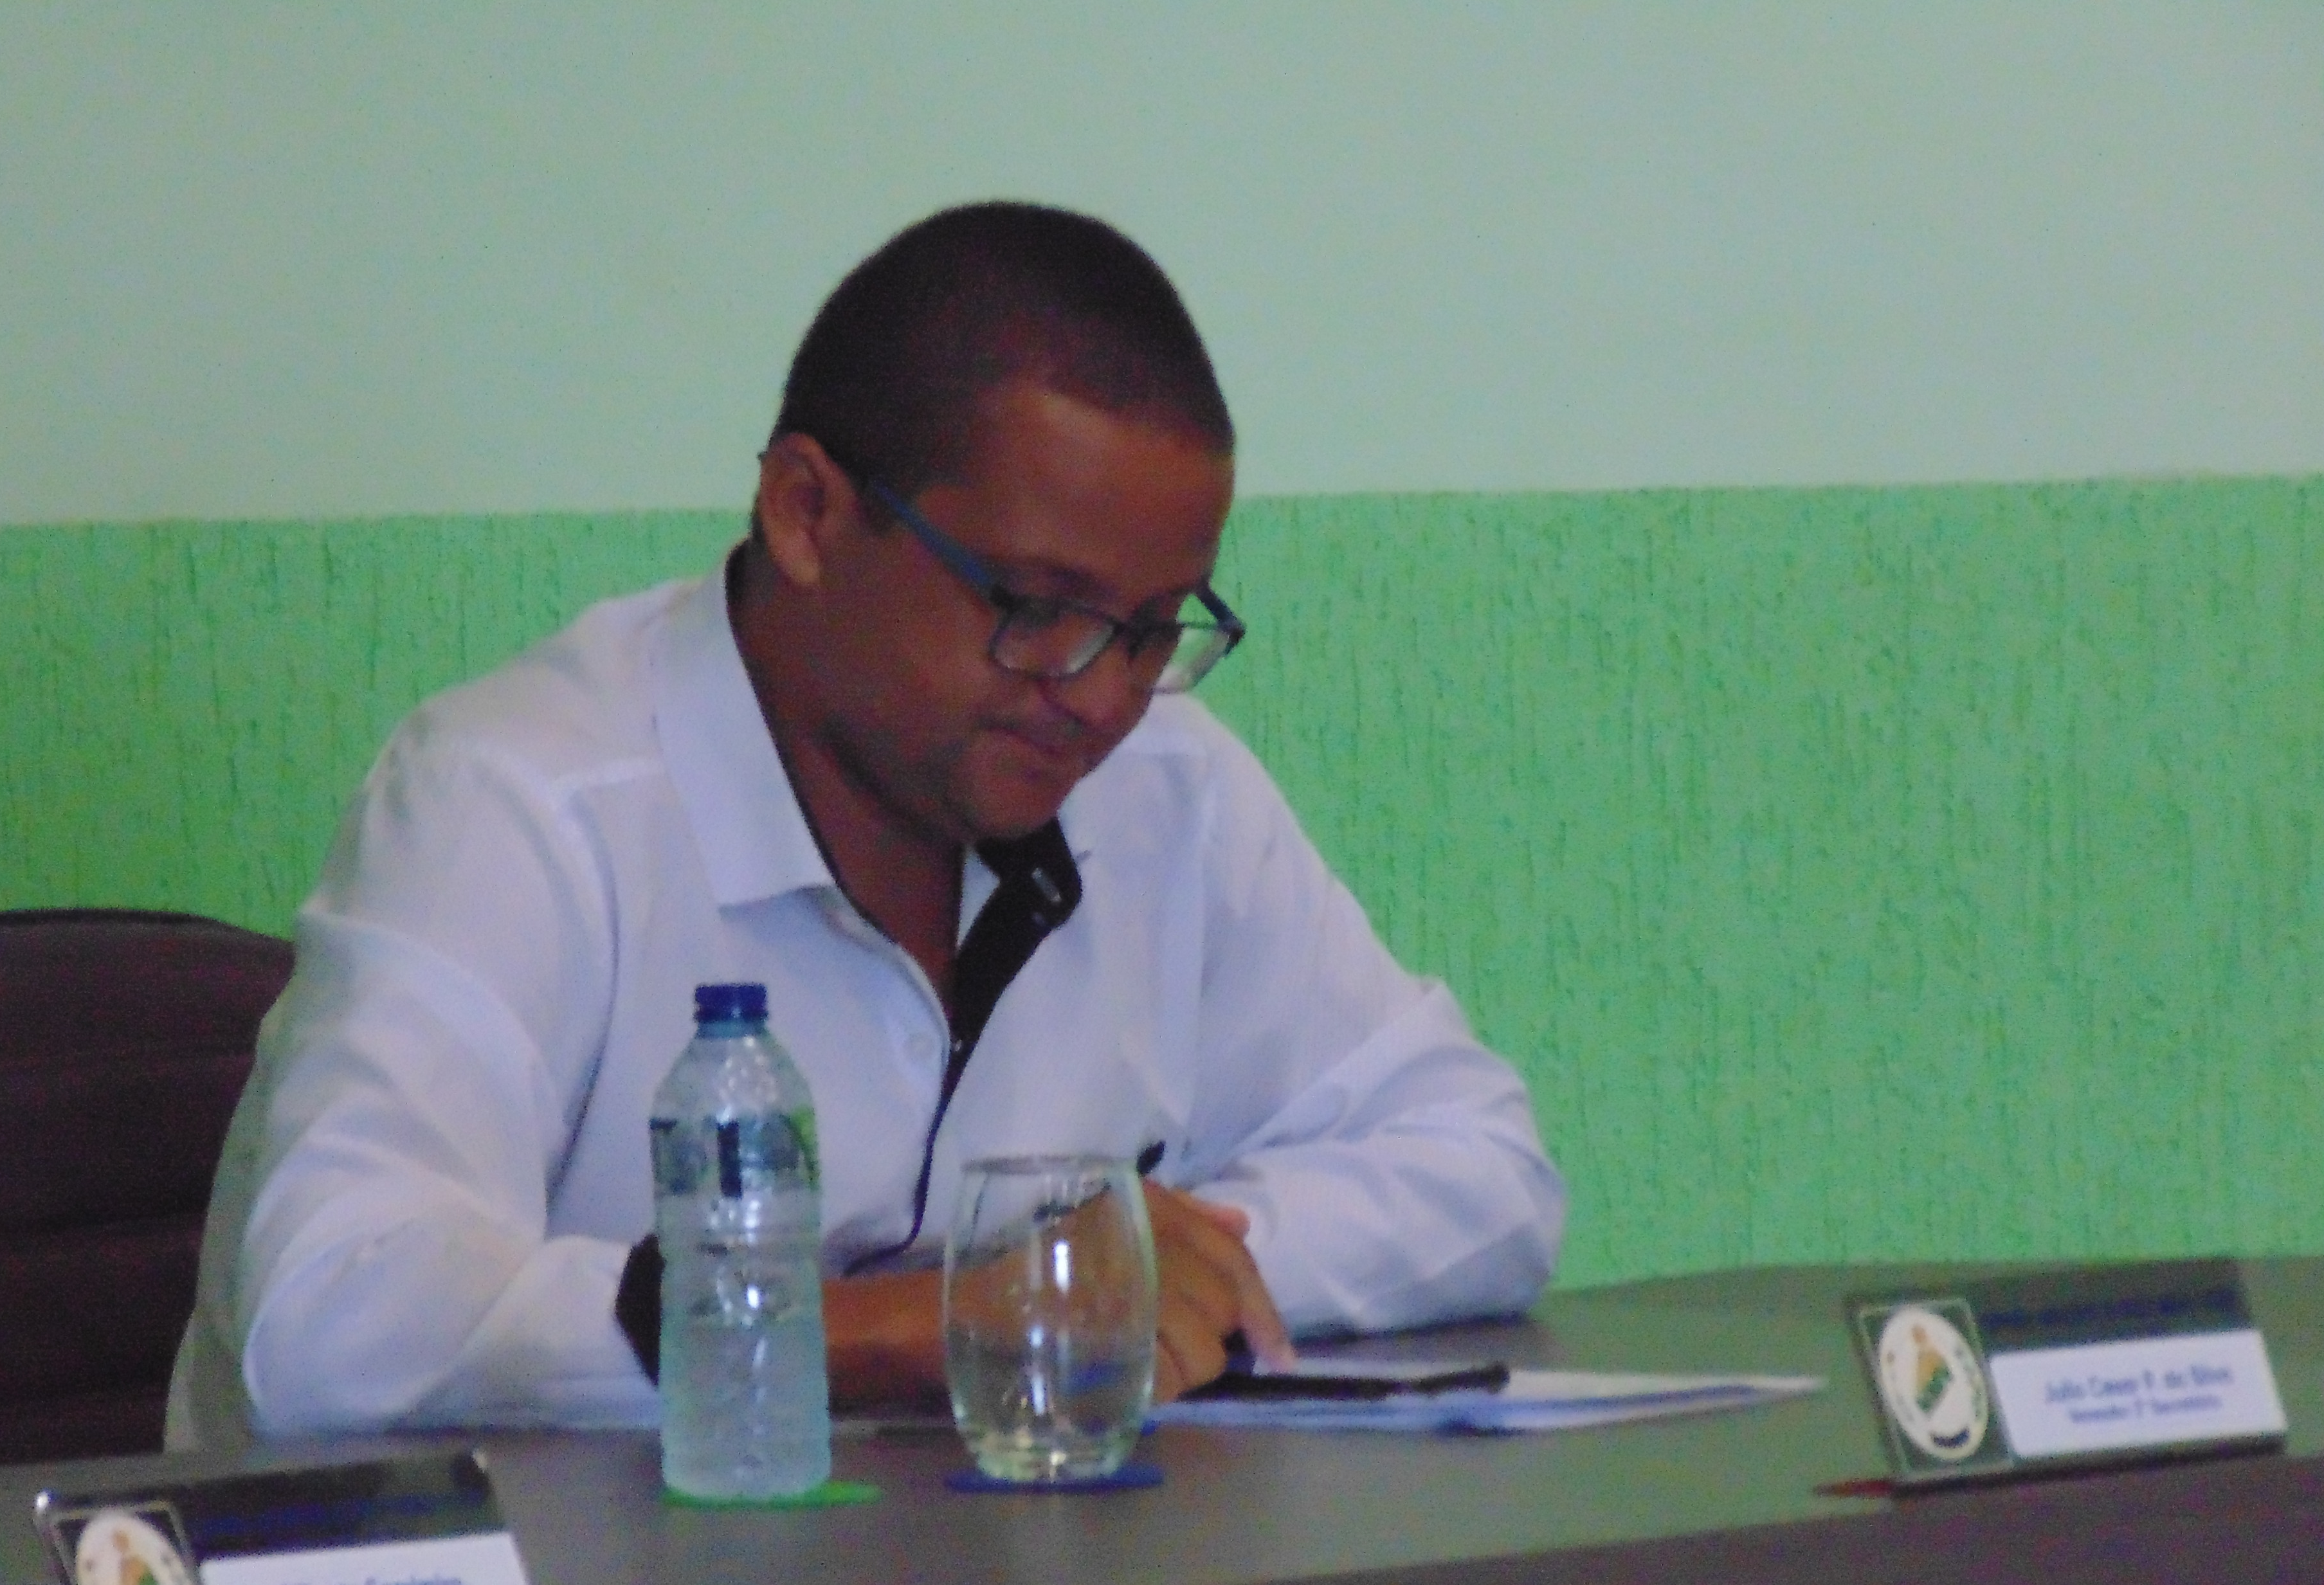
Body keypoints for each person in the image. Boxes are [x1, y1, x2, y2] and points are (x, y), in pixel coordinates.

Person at [167, 203, 1565, 1449]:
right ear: (807, 514)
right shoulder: (518, 803)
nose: (1100, 695)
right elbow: (331, 1315)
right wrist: (881, 1324)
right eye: (1036, 609)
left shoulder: (1167, 791)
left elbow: (1482, 1169)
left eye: (1150, 630)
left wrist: (1116, 1272)